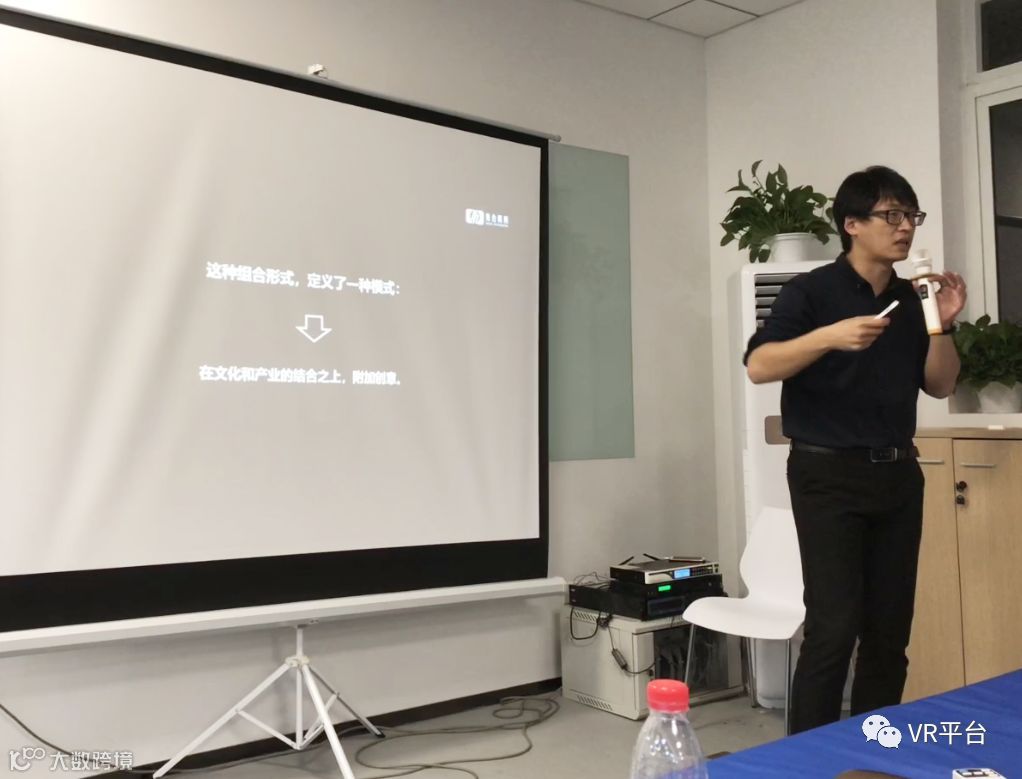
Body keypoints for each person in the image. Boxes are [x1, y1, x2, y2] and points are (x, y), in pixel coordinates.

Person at [743, 165, 967, 734]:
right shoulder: (811, 291)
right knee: (833, 628)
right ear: (852, 224)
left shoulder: (912, 297)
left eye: (911, 216)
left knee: (889, 632)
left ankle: (873, 750)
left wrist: (940, 326)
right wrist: (829, 336)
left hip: (897, 475)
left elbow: (941, 385)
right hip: (826, 475)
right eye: (892, 215)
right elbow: (760, 365)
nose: (905, 227)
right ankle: (809, 759)